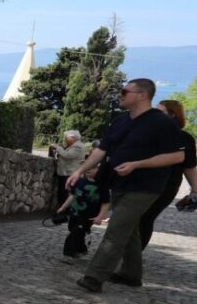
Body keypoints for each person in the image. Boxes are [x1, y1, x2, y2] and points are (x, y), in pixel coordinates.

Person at [68, 79, 186, 292]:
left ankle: (94, 277)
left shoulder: (163, 123)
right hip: (119, 183)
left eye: (125, 91)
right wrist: (79, 170)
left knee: (117, 229)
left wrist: (138, 164)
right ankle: (131, 275)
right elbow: (101, 150)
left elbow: (177, 156)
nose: (120, 95)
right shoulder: (120, 120)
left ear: (142, 95)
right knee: (129, 229)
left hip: (146, 187)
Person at [137, 99, 197, 248]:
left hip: (166, 186)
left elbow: (189, 168)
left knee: (145, 218)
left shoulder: (185, 138)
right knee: (135, 218)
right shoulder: (148, 132)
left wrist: (194, 190)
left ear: (172, 115)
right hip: (141, 182)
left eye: (160, 112)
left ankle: (133, 257)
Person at [51, 164, 108, 257]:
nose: (89, 169)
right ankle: (81, 248)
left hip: (88, 216)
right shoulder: (80, 182)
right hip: (74, 213)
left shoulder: (102, 186)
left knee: (76, 232)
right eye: (88, 167)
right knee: (75, 231)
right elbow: (72, 196)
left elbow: (105, 203)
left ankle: (68, 254)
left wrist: (100, 216)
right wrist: (63, 207)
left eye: (93, 167)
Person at [48, 130, 86, 205]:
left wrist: (58, 147)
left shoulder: (78, 146)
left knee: (65, 193)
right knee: (62, 193)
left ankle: (63, 211)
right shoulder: (74, 145)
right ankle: (62, 210)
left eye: (66, 138)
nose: (65, 140)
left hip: (69, 174)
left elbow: (67, 155)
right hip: (66, 173)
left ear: (72, 138)